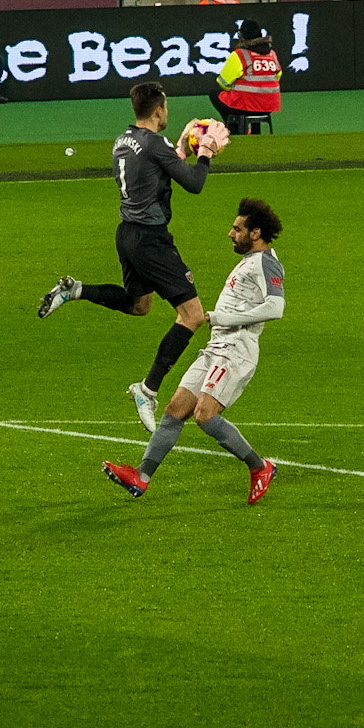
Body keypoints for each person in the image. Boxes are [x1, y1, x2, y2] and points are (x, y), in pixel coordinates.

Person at [35, 81, 228, 432]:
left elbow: (154, 174)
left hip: (126, 234)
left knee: (139, 305)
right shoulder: (155, 144)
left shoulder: (123, 141)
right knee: (192, 316)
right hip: (151, 241)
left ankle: (75, 290)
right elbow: (195, 184)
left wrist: (180, 149)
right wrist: (205, 153)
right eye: (166, 108)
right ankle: (148, 390)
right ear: (159, 109)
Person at [102, 198, 284, 505]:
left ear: (256, 233)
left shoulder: (266, 263)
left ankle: (260, 467)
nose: (230, 233)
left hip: (236, 351)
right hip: (217, 347)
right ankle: (141, 477)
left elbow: (276, 307)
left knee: (205, 415)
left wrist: (222, 318)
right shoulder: (250, 261)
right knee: (174, 410)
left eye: (238, 229)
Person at [211, 24, 281, 134]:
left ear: (242, 36)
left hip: (246, 106)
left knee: (215, 94)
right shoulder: (272, 54)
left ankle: (235, 130)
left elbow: (223, 82)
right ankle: (255, 132)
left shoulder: (240, 54)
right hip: (269, 105)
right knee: (255, 99)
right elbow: (278, 76)